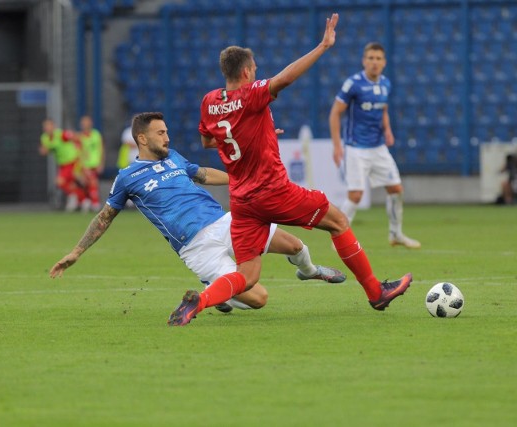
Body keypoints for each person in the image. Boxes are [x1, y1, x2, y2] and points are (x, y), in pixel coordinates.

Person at [167, 13, 412, 326]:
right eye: (255, 70)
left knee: (248, 275)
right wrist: (323, 46)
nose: (257, 74)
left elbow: (208, 141)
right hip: (272, 190)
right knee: (338, 221)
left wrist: (258, 135)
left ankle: (198, 302)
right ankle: (376, 292)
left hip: (242, 202)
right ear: (246, 71)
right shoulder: (251, 95)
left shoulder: (209, 101)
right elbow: (284, 79)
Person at [49, 112, 346, 313]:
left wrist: (241, 178)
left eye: (167, 132)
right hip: (195, 246)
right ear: (142, 139)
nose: (167, 138)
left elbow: (202, 174)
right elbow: (104, 217)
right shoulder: (127, 177)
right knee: (259, 299)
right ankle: (216, 290)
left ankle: (310, 272)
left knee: (295, 246)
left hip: (225, 222)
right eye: (160, 133)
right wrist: (76, 252)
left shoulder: (175, 158)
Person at [329, 42, 421, 249]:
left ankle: (396, 233)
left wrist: (387, 130)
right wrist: (337, 146)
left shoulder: (386, 83)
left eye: (378, 58)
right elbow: (335, 112)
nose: (374, 62)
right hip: (356, 147)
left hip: (378, 147)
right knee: (356, 195)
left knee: (396, 189)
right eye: (370, 58)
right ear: (364, 61)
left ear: (384, 62)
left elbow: (383, 109)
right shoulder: (353, 84)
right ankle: (339, 238)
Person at [39, 118, 85, 212]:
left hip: (72, 161)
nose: (47, 128)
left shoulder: (61, 134)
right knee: (71, 184)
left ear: (54, 126)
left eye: (49, 125)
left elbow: (76, 137)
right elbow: (46, 149)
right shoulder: (44, 138)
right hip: (63, 164)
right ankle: (83, 200)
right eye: (45, 126)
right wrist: (43, 151)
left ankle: (75, 198)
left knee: (59, 182)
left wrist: (80, 150)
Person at [78, 115, 105, 212]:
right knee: (91, 182)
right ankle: (94, 203)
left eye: (87, 122)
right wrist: (82, 166)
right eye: (83, 122)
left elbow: (101, 149)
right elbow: (79, 153)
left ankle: (87, 201)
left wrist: (101, 163)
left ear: (91, 123)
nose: (85, 124)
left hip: (95, 164)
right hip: (85, 165)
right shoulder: (79, 137)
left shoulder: (96, 134)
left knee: (91, 183)